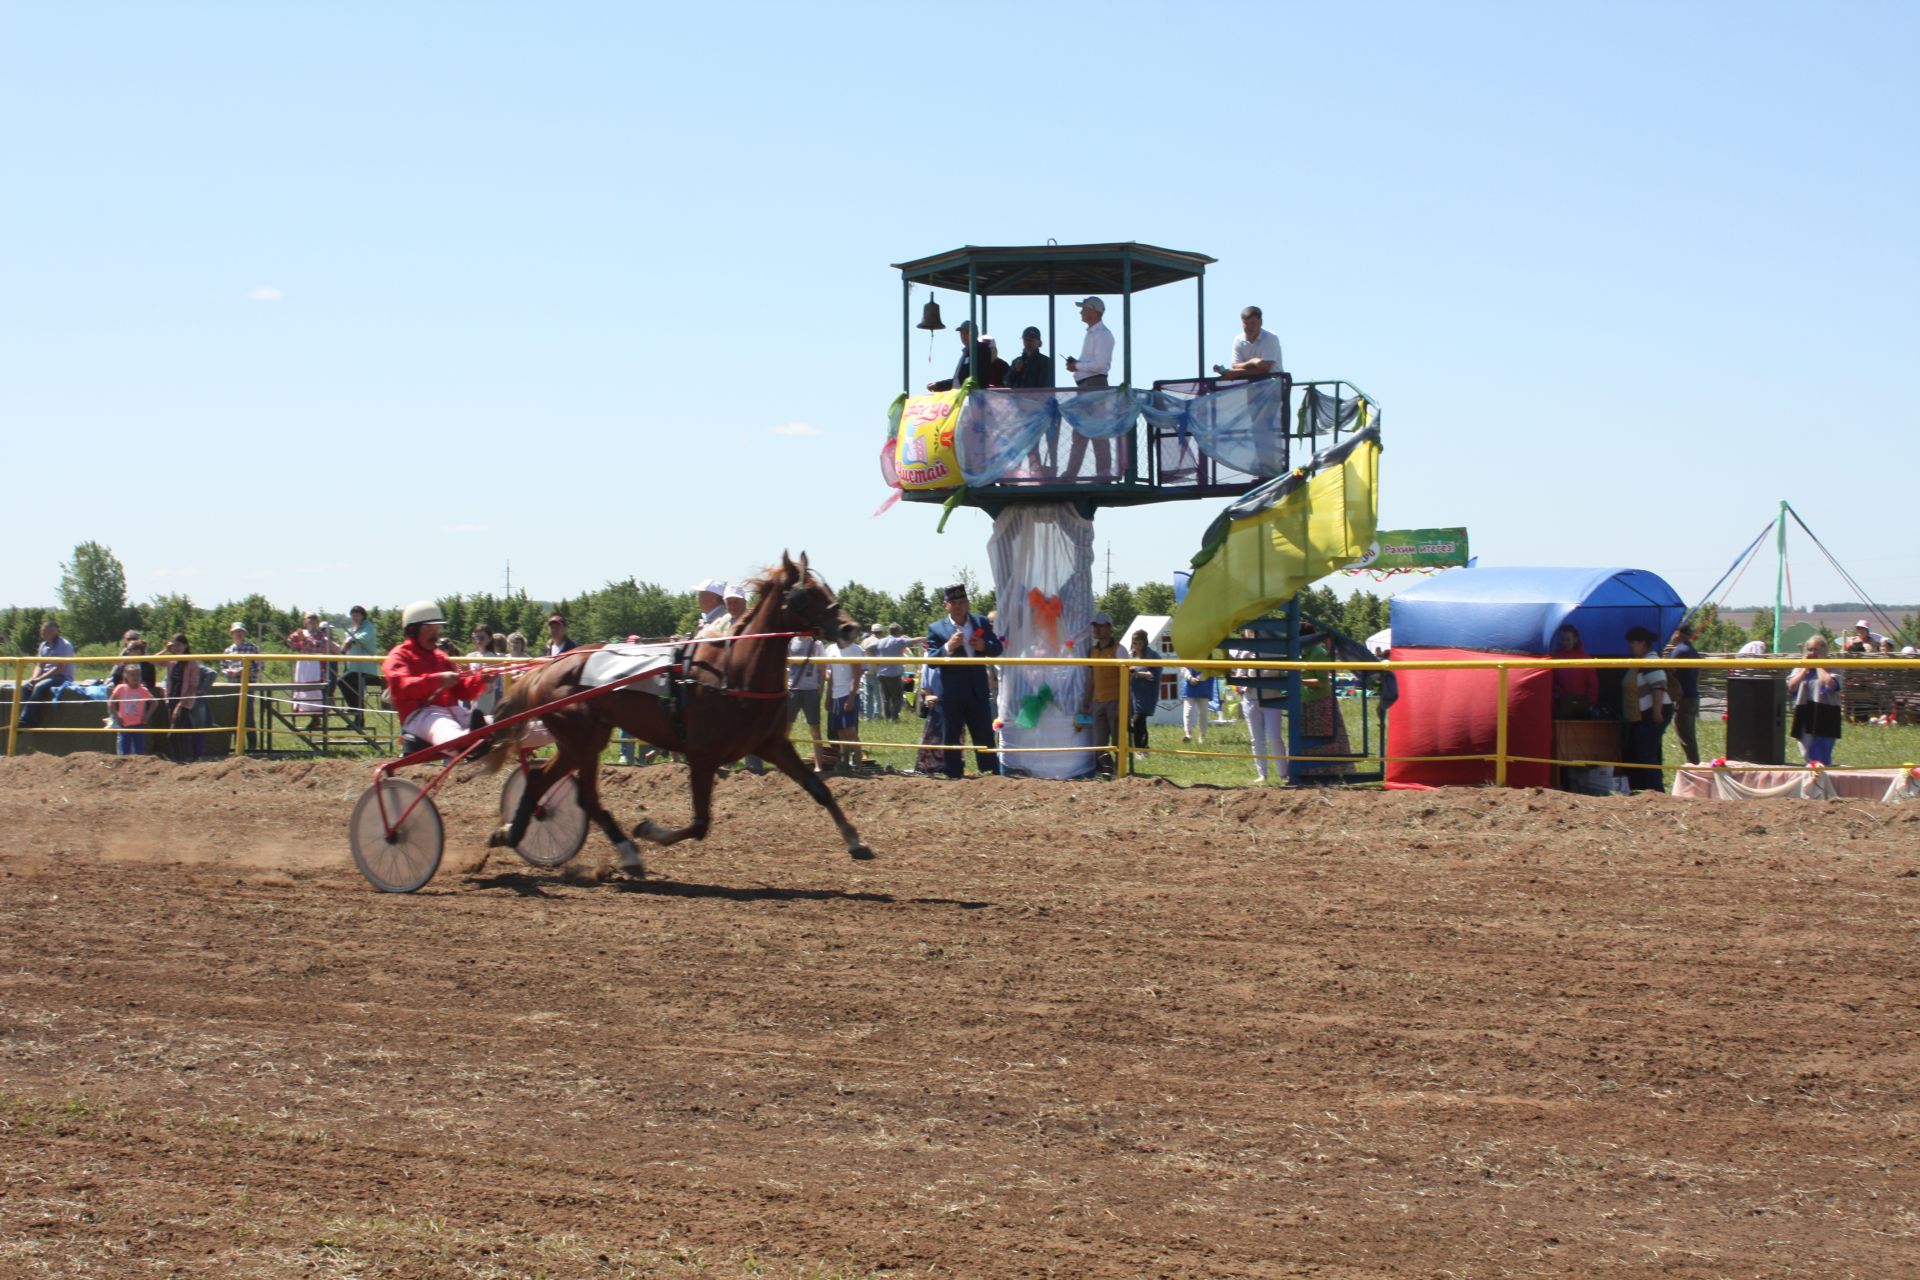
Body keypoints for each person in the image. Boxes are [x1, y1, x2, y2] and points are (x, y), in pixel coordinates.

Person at [382, 601, 499, 748]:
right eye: (429, 629)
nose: (435, 634)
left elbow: (462, 691)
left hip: (453, 713)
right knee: (446, 727)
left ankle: (524, 732)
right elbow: (401, 687)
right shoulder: (399, 656)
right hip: (420, 717)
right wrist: (438, 680)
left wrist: (480, 678)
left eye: (437, 628)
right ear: (413, 630)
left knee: (496, 725)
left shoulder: (440, 657)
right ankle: (469, 742)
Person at [925, 584, 1002, 778]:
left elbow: (997, 648)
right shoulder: (936, 628)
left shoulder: (981, 622)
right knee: (951, 736)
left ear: (968, 603)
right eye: (954, 603)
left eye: (962, 602)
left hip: (977, 690)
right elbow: (931, 661)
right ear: (946, 605)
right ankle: (954, 774)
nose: (958, 606)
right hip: (951, 693)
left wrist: (985, 645)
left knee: (984, 735)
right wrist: (947, 647)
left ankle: (991, 773)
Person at [1620, 625, 1670, 792]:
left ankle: (1656, 789)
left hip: (1654, 712)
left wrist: (1656, 711)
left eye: (1632, 643)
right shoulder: (1643, 661)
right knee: (1645, 750)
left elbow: (1658, 686)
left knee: (1646, 751)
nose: (1630, 646)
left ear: (1643, 643)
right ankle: (1648, 787)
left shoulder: (1650, 661)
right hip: (1647, 712)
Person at [1075, 612, 1122, 775]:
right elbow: (1091, 680)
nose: (1097, 629)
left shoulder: (1119, 650)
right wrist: (1086, 704)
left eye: (1101, 625)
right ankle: (1109, 771)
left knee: (1118, 743)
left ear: (1109, 627)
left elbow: (1127, 680)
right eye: (1095, 626)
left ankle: (1120, 774)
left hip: (1116, 702)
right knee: (1099, 744)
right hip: (1098, 703)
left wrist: (1124, 704)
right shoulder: (1092, 651)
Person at [1787, 635, 1843, 766]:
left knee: (1821, 753)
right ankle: (1814, 772)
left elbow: (1830, 684)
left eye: (1816, 649)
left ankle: (1821, 778)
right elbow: (1791, 686)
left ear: (1825, 650)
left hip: (1826, 712)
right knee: (1806, 752)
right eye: (1810, 650)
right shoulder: (1801, 667)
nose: (1813, 653)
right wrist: (1805, 669)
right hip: (1805, 711)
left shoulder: (1833, 666)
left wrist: (1818, 666)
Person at [16, 619, 75, 729]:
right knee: (24, 686)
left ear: (55, 631)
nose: (44, 634)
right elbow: (40, 665)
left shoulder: (64, 645)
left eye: (47, 631)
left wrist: (39, 680)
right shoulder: (43, 645)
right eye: (43, 631)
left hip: (62, 676)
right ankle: (32, 719)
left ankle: (24, 719)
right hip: (45, 676)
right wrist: (34, 678)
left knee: (39, 686)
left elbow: (59, 668)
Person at [824, 622, 866, 771]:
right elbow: (831, 676)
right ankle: (845, 762)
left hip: (848, 695)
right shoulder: (830, 650)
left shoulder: (855, 650)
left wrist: (851, 698)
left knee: (850, 731)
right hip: (836, 694)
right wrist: (828, 696)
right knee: (840, 732)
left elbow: (856, 675)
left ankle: (859, 764)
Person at [336, 606, 383, 731]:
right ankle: (359, 719)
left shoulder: (368, 627)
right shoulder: (352, 629)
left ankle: (354, 708)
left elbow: (362, 638)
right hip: (353, 667)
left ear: (363, 615)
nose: (355, 617)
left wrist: (349, 642)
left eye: (358, 614)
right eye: (353, 615)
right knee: (353, 689)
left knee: (342, 681)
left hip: (365, 668)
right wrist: (343, 648)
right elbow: (345, 644)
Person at [161, 633, 205, 762]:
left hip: (184, 702)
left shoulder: (192, 663)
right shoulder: (171, 661)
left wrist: (180, 705)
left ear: (185, 645)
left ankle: (178, 761)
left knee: (172, 735)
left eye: (179, 645)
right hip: (171, 699)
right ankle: (181, 761)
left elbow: (193, 686)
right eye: (174, 645)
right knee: (179, 733)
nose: (177, 648)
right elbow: (151, 660)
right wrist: (165, 650)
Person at [786, 631, 828, 766]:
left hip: (811, 689)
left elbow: (823, 667)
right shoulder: (791, 641)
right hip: (793, 689)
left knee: (815, 729)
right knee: (787, 728)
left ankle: (818, 765)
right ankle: (787, 762)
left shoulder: (817, 644)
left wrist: (820, 688)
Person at [1664, 622, 1702, 764]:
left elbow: (1670, 671)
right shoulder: (1693, 651)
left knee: (1685, 737)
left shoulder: (1679, 651)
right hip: (1693, 697)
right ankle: (1694, 763)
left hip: (1684, 699)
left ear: (1678, 633)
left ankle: (1693, 765)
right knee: (1689, 735)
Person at [286, 612, 333, 719]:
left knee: (314, 687)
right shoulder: (301, 632)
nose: (311, 620)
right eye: (309, 618)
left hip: (314, 664)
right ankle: (304, 709)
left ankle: (316, 714)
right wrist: (295, 640)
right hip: (302, 663)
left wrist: (304, 640)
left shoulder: (320, 635)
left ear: (317, 622)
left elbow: (316, 646)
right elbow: (291, 642)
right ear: (304, 621)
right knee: (302, 686)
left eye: (314, 618)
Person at [1217, 305, 1283, 380]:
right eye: (1246, 323)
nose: (1249, 327)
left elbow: (1265, 369)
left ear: (1261, 322)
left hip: (1272, 386)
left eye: (1253, 323)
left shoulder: (1270, 338)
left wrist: (1240, 371)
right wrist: (1253, 361)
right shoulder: (1238, 340)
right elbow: (1235, 366)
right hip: (1251, 388)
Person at [1126, 629, 1164, 754]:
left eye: (1139, 643)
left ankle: (1140, 750)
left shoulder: (1153, 656)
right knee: (1135, 723)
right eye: (1134, 643)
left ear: (1145, 642)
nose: (1136, 645)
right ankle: (1143, 748)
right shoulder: (1130, 656)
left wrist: (1136, 673)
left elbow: (1154, 675)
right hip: (1133, 694)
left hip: (1147, 693)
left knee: (1138, 720)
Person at [1549, 624, 1599, 718]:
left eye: (1568, 640)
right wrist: (1553, 700)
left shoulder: (1585, 658)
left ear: (1575, 639)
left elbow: (1593, 684)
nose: (1565, 643)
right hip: (1559, 706)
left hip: (1582, 707)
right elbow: (1549, 683)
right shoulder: (1554, 658)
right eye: (1562, 639)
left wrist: (1591, 703)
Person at [1063, 297, 1113, 390]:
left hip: (1093, 384)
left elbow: (1099, 365)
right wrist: (1077, 365)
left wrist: (1076, 365)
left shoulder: (1102, 334)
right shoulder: (1096, 333)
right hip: (1090, 384)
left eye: (1083, 309)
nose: (1080, 312)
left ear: (1092, 310)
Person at [107, 663, 157, 757]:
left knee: (139, 752)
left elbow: (154, 703)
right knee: (124, 752)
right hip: (124, 725)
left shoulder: (143, 690)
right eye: (132, 675)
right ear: (126, 676)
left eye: (138, 675)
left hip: (139, 725)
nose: (136, 677)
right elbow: (111, 703)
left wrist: (147, 715)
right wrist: (117, 717)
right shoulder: (121, 688)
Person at [927, 320, 989, 392]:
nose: (963, 336)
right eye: (961, 333)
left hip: (973, 396)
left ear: (976, 334)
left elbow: (979, 377)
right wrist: (938, 385)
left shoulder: (981, 349)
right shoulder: (966, 353)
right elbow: (957, 381)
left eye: (967, 332)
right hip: (962, 396)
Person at [872, 623, 912, 720]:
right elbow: (915, 641)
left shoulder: (881, 641)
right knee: (897, 697)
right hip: (894, 674)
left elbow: (867, 648)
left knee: (886, 698)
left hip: (881, 673)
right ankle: (894, 718)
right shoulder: (899, 641)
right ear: (898, 631)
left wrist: (875, 660)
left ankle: (887, 717)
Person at [466, 622, 504, 717]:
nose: (478, 640)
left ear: (490, 639)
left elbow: (482, 681)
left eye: (482, 637)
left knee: (480, 720)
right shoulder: (471, 656)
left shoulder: (491, 657)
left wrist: (468, 671)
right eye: (476, 637)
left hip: (485, 696)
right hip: (474, 696)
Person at [1007, 325, 1054, 389]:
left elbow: (1044, 385)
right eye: (1026, 339)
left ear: (1039, 343)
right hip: (1017, 398)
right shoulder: (1016, 361)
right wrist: (1015, 370)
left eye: (1031, 340)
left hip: (1037, 398)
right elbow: (1006, 383)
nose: (1028, 343)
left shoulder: (1045, 362)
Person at [1179, 664, 1216, 744]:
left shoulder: (1210, 656)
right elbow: (1183, 668)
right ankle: (1188, 735)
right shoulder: (1186, 654)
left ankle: (1202, 736)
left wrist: (1198, 678)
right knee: (1187, 712)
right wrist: (1190, 678)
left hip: (1204, 687)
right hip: (1189, 687)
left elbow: (1211, 670)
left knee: (1203, 713)